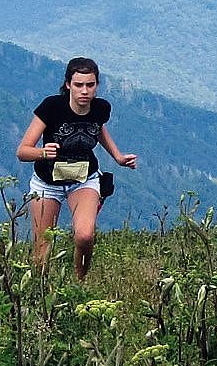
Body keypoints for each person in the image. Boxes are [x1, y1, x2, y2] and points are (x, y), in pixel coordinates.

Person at [15, 57, 138, 280]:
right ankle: (39, 292)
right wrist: (43, 152)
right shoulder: (51, 108)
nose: (84, 91)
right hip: (46, 183)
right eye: (79, 85)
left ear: (96, 85)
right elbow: (22, 151)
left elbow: (98, 130)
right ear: (68, 85)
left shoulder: (101, 108)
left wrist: (118, 157)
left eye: (90, 85)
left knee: (84, 236)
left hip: (84, 179)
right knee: (42, 251)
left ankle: (79, 283)